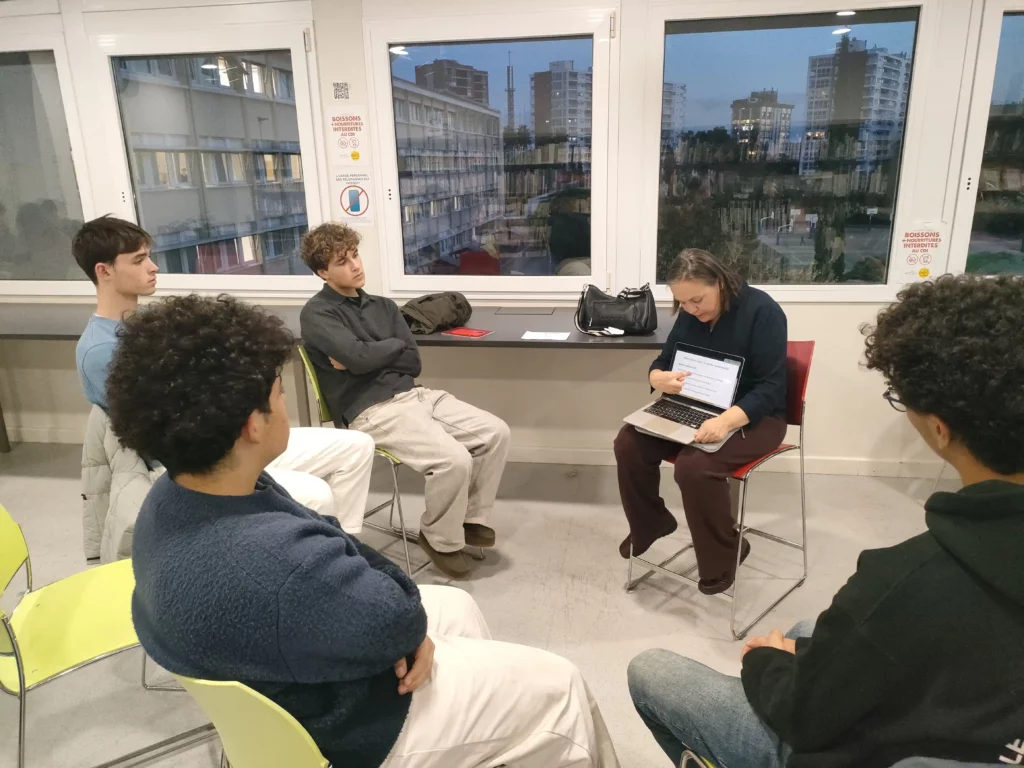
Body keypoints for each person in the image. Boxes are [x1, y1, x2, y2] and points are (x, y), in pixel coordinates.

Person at [113, 293, 620, 768]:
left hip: (281, 680)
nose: (285, 402)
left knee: (456, 605)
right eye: (280, 393)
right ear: (253, 424)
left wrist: (401, 625)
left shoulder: (174, 499)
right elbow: (394, 612)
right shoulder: (276, 561)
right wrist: (406, 631)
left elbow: (336, 544)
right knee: (561, 685)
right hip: (343, 727)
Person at [627, 274, 1024, 768]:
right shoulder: (927, 582)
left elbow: (802, 714)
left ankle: (724, 563)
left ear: (939, 430)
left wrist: (764, 661)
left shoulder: (900, 583)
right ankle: (659, 529)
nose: (691, 307)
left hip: (863, 747)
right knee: (804, 629)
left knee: (651, 670)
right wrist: (659, 379)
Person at [71, 215, 374, 532]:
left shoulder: (150, 324)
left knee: (357, 447)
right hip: (190, 470)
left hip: (226, 440)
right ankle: (317, 548)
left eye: (148, 256)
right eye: (138, 260)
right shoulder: (100, 350)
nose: (153, 267)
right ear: (104, 271)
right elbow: (163, 437)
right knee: (317, 494)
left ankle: (343, 544)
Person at [299, 222, 511, 579]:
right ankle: (439, 537)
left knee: (496, 432)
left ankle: (469, 520)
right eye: (342, 261)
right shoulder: (318, 313)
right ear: (323, 272)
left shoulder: (384, 306)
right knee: (453, 460)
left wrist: (369, 353)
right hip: (370, 409)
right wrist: (385, 349)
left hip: (415, 394)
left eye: (355, 255)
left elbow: (412, 362)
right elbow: (362, 358)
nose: (355, 265)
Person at [614, 248, 788, 594]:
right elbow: (663, 361)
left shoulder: (763, 311)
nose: (692, 310)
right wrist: (657, 378)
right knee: (628, 442)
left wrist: (727, 421)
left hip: (756, 416)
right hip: (695, 406)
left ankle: (724, 553)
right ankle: (651, 523)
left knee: (694, 467)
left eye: (697, 300)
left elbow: (771, 387)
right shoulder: (690, 314)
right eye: (683, 303)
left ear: (719, 282)